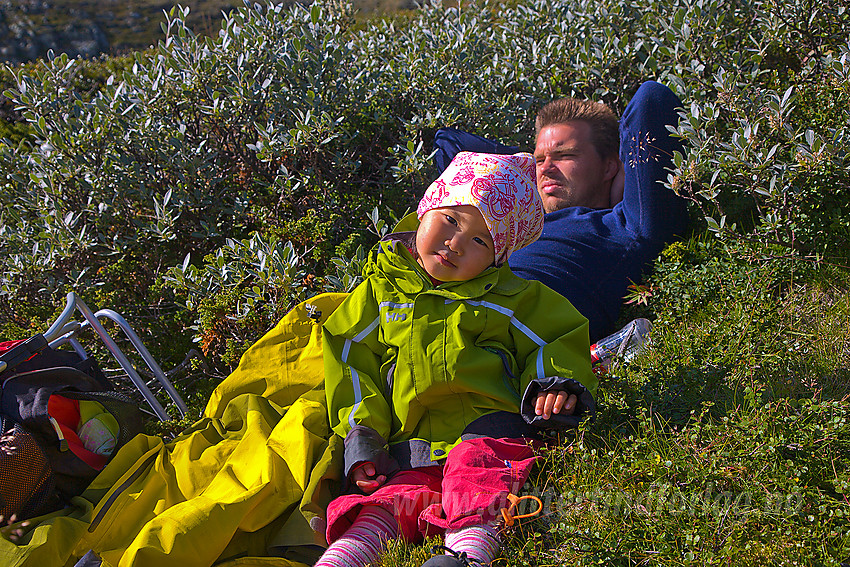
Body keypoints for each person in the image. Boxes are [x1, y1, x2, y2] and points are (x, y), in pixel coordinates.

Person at [317, 152, 597, 567]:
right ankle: (343, 557)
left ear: (497, 257)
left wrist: (550, 386)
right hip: (411, 446)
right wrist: (364, 436)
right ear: (426, 208)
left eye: (480, 240)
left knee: (477, 478)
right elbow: (350, 359)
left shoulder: (511, 299)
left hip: (489, 431)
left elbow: (556, 336)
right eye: (450, 220)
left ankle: (465, 555)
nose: (456, 243)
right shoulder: (380, 295)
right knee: (390, 499)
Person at [434, 81, 689, 343]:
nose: (546, 169)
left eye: (565, 156)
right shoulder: (512, 223)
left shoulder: (628, 225)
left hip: (507, 344)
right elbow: (450, 144)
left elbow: (652, 99)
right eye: (539, 160)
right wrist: (523, 169)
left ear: (609, 167)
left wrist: (623, 176)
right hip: (441, 320)